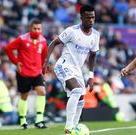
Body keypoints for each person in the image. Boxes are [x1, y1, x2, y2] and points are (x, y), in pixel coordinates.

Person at [42, 5, 100, 135]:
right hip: (63, 65)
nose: (91, 20)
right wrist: (46, 61)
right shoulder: (72, 31)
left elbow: (93, 55)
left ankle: (74, 126)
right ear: (81, 17)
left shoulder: (96, 35)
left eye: (93, 17)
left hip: (77, 69)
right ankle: (68, 128)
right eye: (88, 17)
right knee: (77, 90)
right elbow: (53, 43)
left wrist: (91, 75)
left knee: (81, 97)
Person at [4, 19, 48, 129]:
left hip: (37, 72)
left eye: (39, 29)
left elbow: (44, 57)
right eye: (35, 28)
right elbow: (8, 48)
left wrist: (44, 71)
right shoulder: (22, 39)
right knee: (24, 96)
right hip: (24, 73)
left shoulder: (43, 41)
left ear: (41, 29)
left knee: (42, 91)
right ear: (30, 28)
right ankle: (23, 120)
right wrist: (16, 62)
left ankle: (39, 120)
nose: (37, 31)